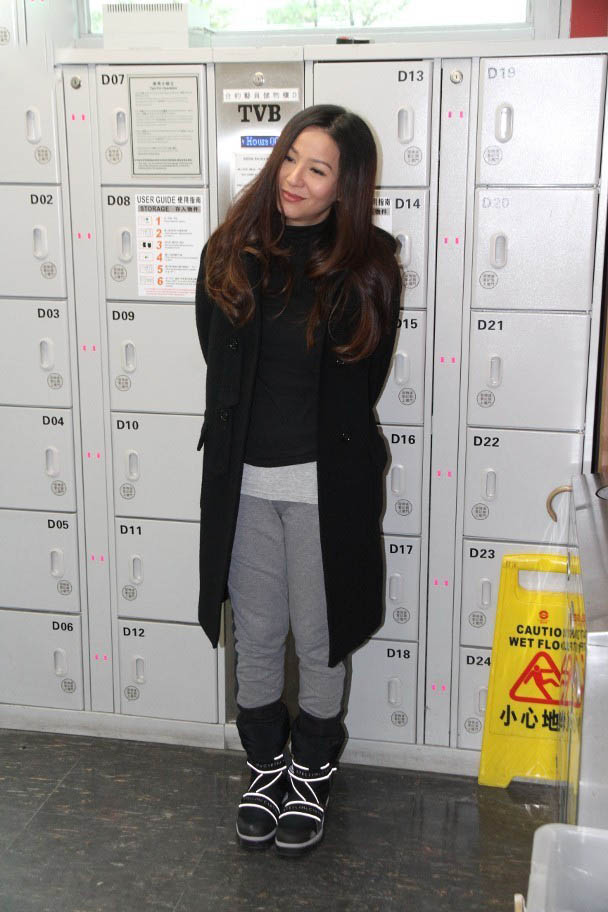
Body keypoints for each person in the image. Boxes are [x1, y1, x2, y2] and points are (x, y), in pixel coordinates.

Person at [194, 104, 402, 856]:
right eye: (290, 158)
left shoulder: (368, 266)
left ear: (345, 187)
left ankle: (311, 770)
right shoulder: (233, 248)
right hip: (245, 485)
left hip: (322, 489)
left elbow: (364, 375)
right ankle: (264, 766)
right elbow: (216, 352)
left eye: (317, 170)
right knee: (254, 637)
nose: (294, 178)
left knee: (319, 638)